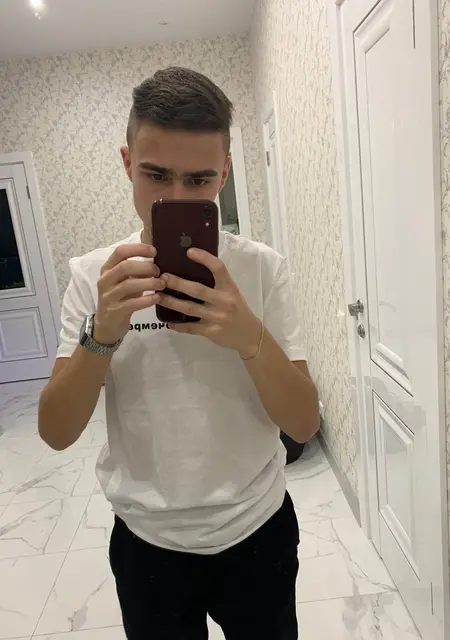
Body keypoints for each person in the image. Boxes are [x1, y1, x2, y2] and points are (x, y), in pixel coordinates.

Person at [38, 67, 319, 640]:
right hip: (148, 543)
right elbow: (56, 432)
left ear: (225, 173)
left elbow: (304, 422)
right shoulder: (93, 276)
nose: (176, 197)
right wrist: (102, 332)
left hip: (257, 529)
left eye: (199, 179)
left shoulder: (262, 269)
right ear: (126, 163)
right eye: (156, 174)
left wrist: (248, 336)